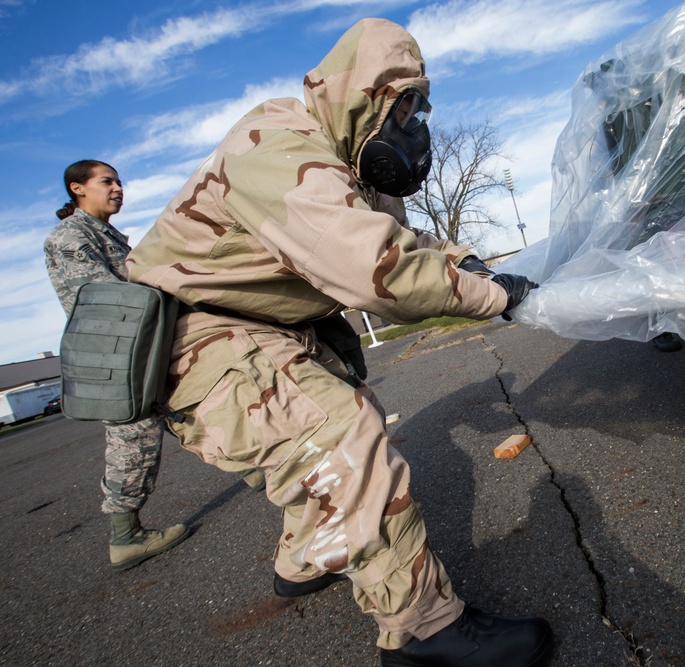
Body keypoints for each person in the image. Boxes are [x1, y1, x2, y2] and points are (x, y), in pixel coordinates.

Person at [127, 18, 552, 667]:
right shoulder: (280, 143)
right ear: (363, 96)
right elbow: (380, 271)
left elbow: (409, 246)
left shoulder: (354, 170)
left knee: (329, 423)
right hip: (193, 338)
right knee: (339, 433)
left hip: (254, 327)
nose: (413, 124)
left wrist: (477, 267)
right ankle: (424, 634)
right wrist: (501, 298)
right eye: (403, 105)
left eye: (420, 107)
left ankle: (303, 557)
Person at [43, 160, 193, 572]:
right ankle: (126, 537)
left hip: (138, 347)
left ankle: (255, 469)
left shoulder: (107, 235)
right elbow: (108, 299)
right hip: (116, 359)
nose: (118, 189)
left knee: (190, 407)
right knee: (134, 442)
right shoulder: (70, 236)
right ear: (78, 188)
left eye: (119, 182)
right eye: (106, 182)